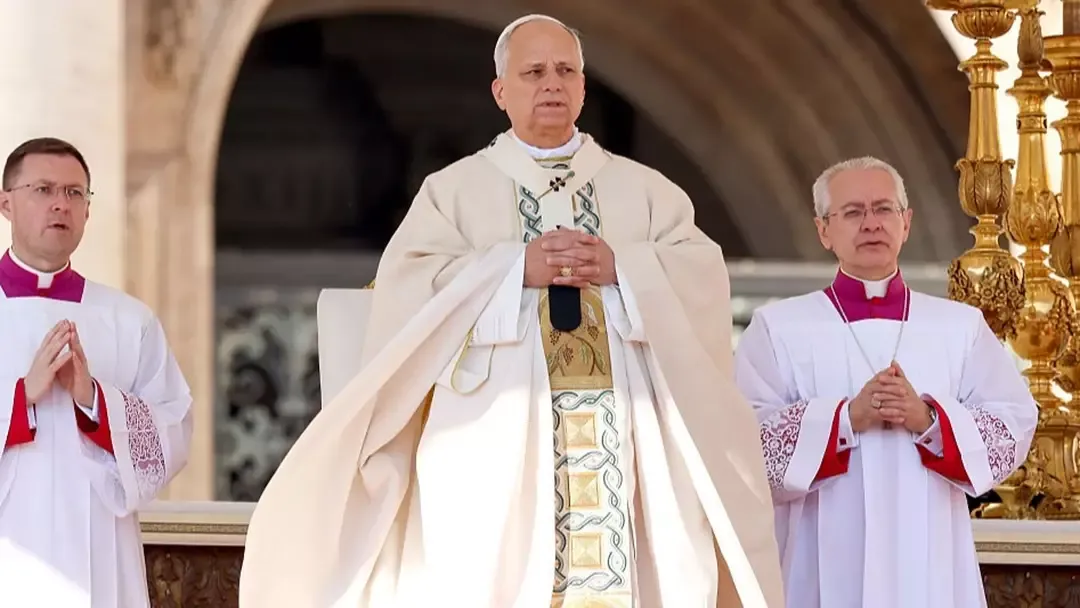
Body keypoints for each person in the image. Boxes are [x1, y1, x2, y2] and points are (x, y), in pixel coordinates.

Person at [239, 13, 785, 608]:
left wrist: (622, 267)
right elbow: (406, 290)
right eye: (533, 72)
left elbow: (700, 277)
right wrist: (509, 270)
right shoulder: (452, 193)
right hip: (492, 438)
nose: (552, 83)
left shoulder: (647, 192)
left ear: (582, 86)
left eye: (565, 70)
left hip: (624, 438)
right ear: (501, 92)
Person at [734, 156, 1038, 608]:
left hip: (929, 553)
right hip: (819, 558)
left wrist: (930, 419)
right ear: (823, 230)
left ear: (906, 222)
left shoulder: (960, 327)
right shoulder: (778, 327)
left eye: (884, 209)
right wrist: (843, 419)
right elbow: (741, 439)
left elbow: (1013, 421)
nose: (871, 223)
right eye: (853, 212)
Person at [0, 137, 194, 607]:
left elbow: (174, 429)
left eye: (74, 193)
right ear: (6, 204)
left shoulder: (129, 320)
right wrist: (21, 399)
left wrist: (95, 402)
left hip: (99, 552)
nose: (60, 205)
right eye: (43, 189)